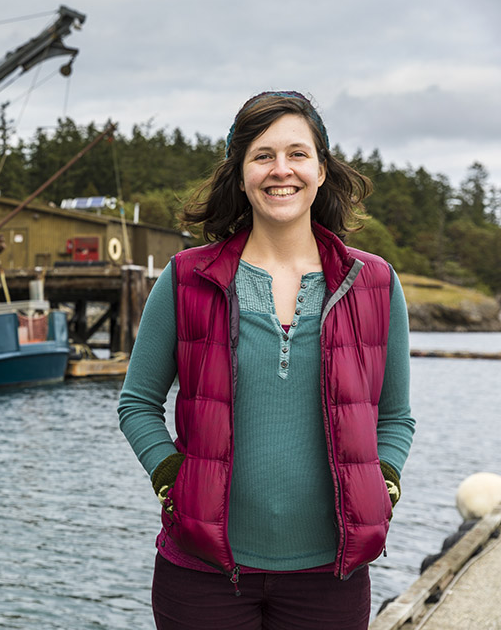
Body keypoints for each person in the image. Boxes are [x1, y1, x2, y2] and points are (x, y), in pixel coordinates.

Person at [117, 91, 414, 629]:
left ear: (321, 169)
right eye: (262, 155)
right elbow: (137, 404)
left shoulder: (374, 283)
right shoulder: (187, 277)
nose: (282, 170)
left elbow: (394, 416)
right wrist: (173, 480)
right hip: (201, 572)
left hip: (332, 576)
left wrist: (383, 483)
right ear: (240, 173)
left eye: (297, 154)